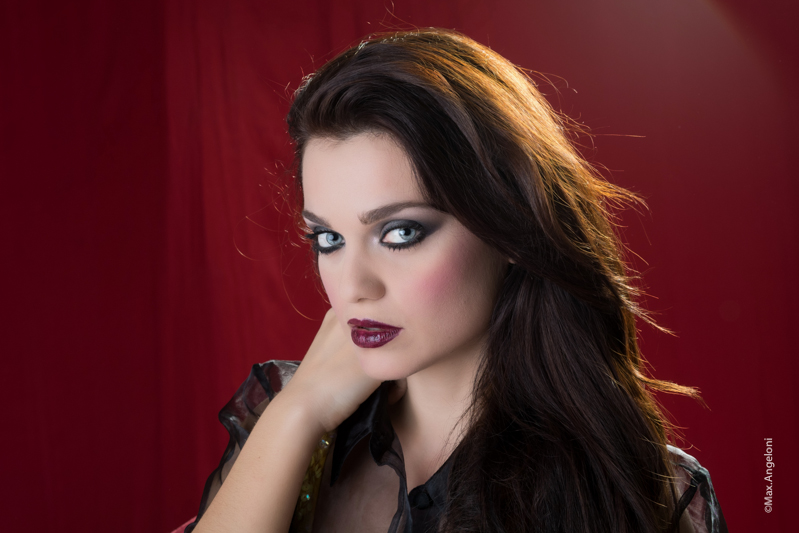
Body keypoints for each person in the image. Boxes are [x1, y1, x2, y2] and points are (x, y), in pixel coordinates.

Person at [176, 28, 726, 533]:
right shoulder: (288, 429)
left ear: (509, 227)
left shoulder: (634, 492)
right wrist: (300, 411)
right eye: (328, 239)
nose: (354, 286)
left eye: (400, 233)